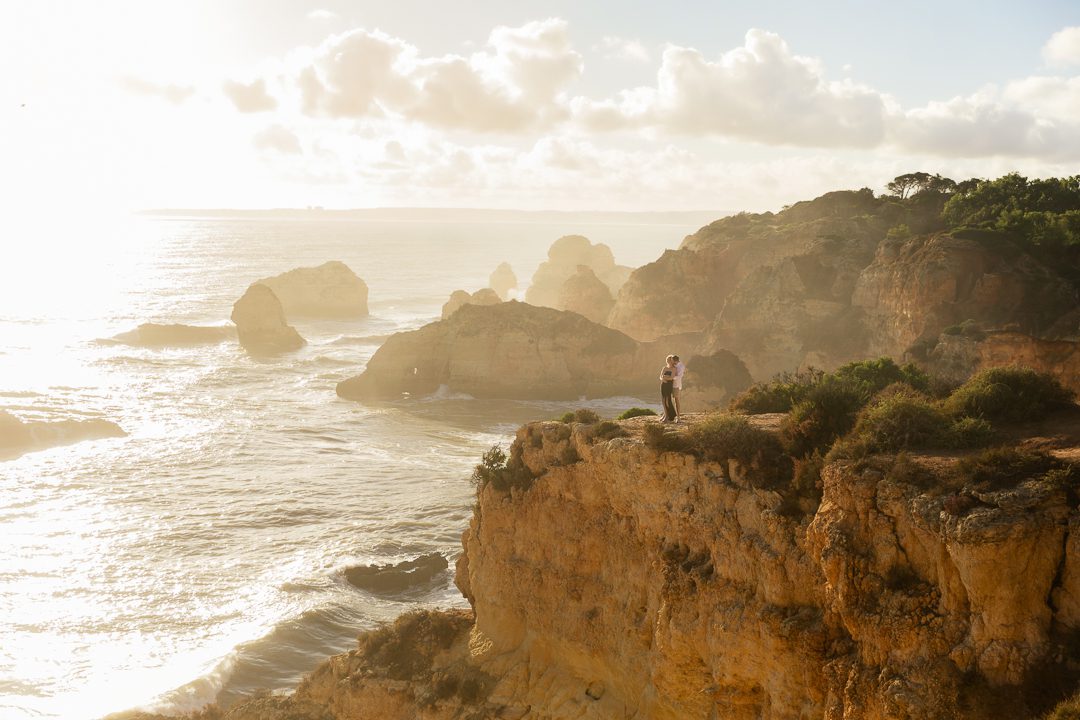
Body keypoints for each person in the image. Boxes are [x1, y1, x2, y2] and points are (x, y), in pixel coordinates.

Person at [659, 355, 677, 422]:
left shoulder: (674, 369)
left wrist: (665, 377)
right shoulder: (664, 368)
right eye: (668, 360)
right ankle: (665, 415)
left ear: (672, 361)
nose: (668, 361)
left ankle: (670, 416)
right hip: (663, 385)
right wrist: (663, 379)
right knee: (663, 401)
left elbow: (672, 377)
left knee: (668, 401)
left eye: (670, 360)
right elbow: (660, 377)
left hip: (669, 386)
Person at [672, 354, 685, 422]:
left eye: (673, 361)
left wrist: (671, 378)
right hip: (670, 384)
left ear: (676, 361)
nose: (672, 362)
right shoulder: (673, 364)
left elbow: (679, 376)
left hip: (675, 385)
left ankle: (678, 417)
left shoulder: (681, 366)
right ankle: (669, 415)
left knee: (676, 400)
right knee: (668, 400)